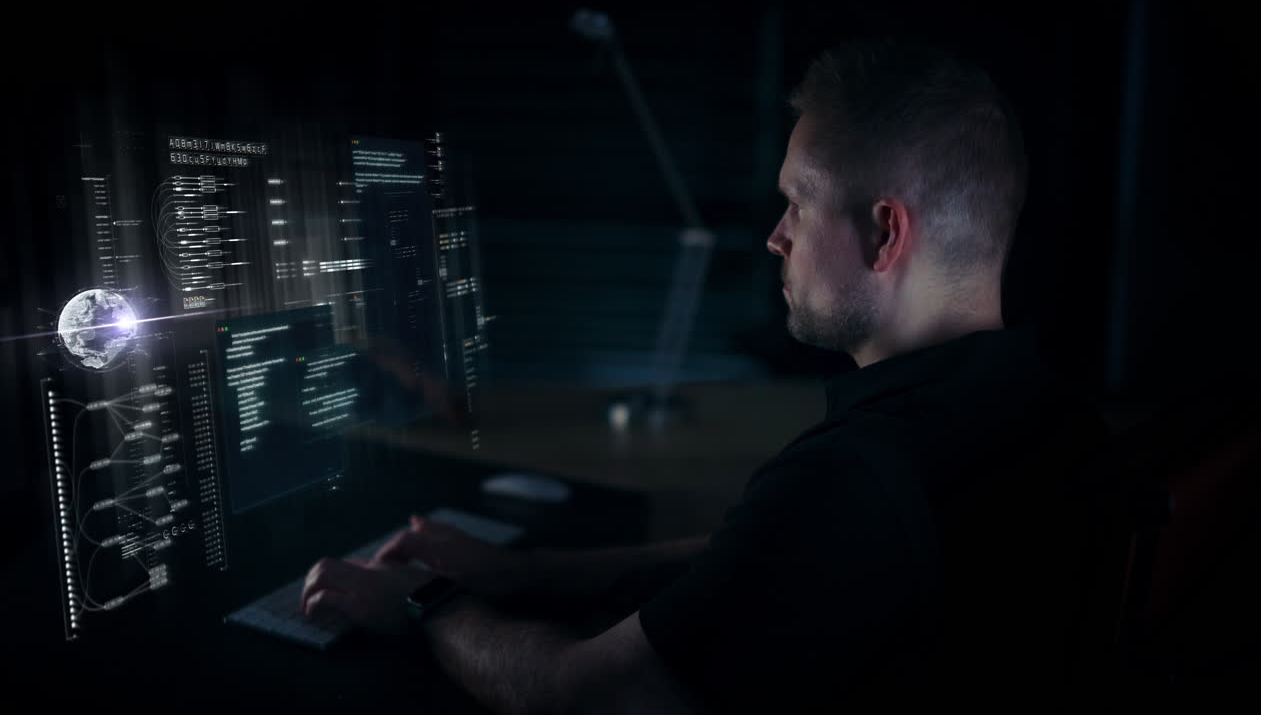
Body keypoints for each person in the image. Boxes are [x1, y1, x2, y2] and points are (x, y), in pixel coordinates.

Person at [300, 39, 1110, 712]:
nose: (775, 236)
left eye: (798, 201)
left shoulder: (858, 474)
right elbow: (758, 558)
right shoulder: (1045, 410)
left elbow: (584, 694)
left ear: (885, 232)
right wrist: (526, 574)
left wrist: (422, 604)